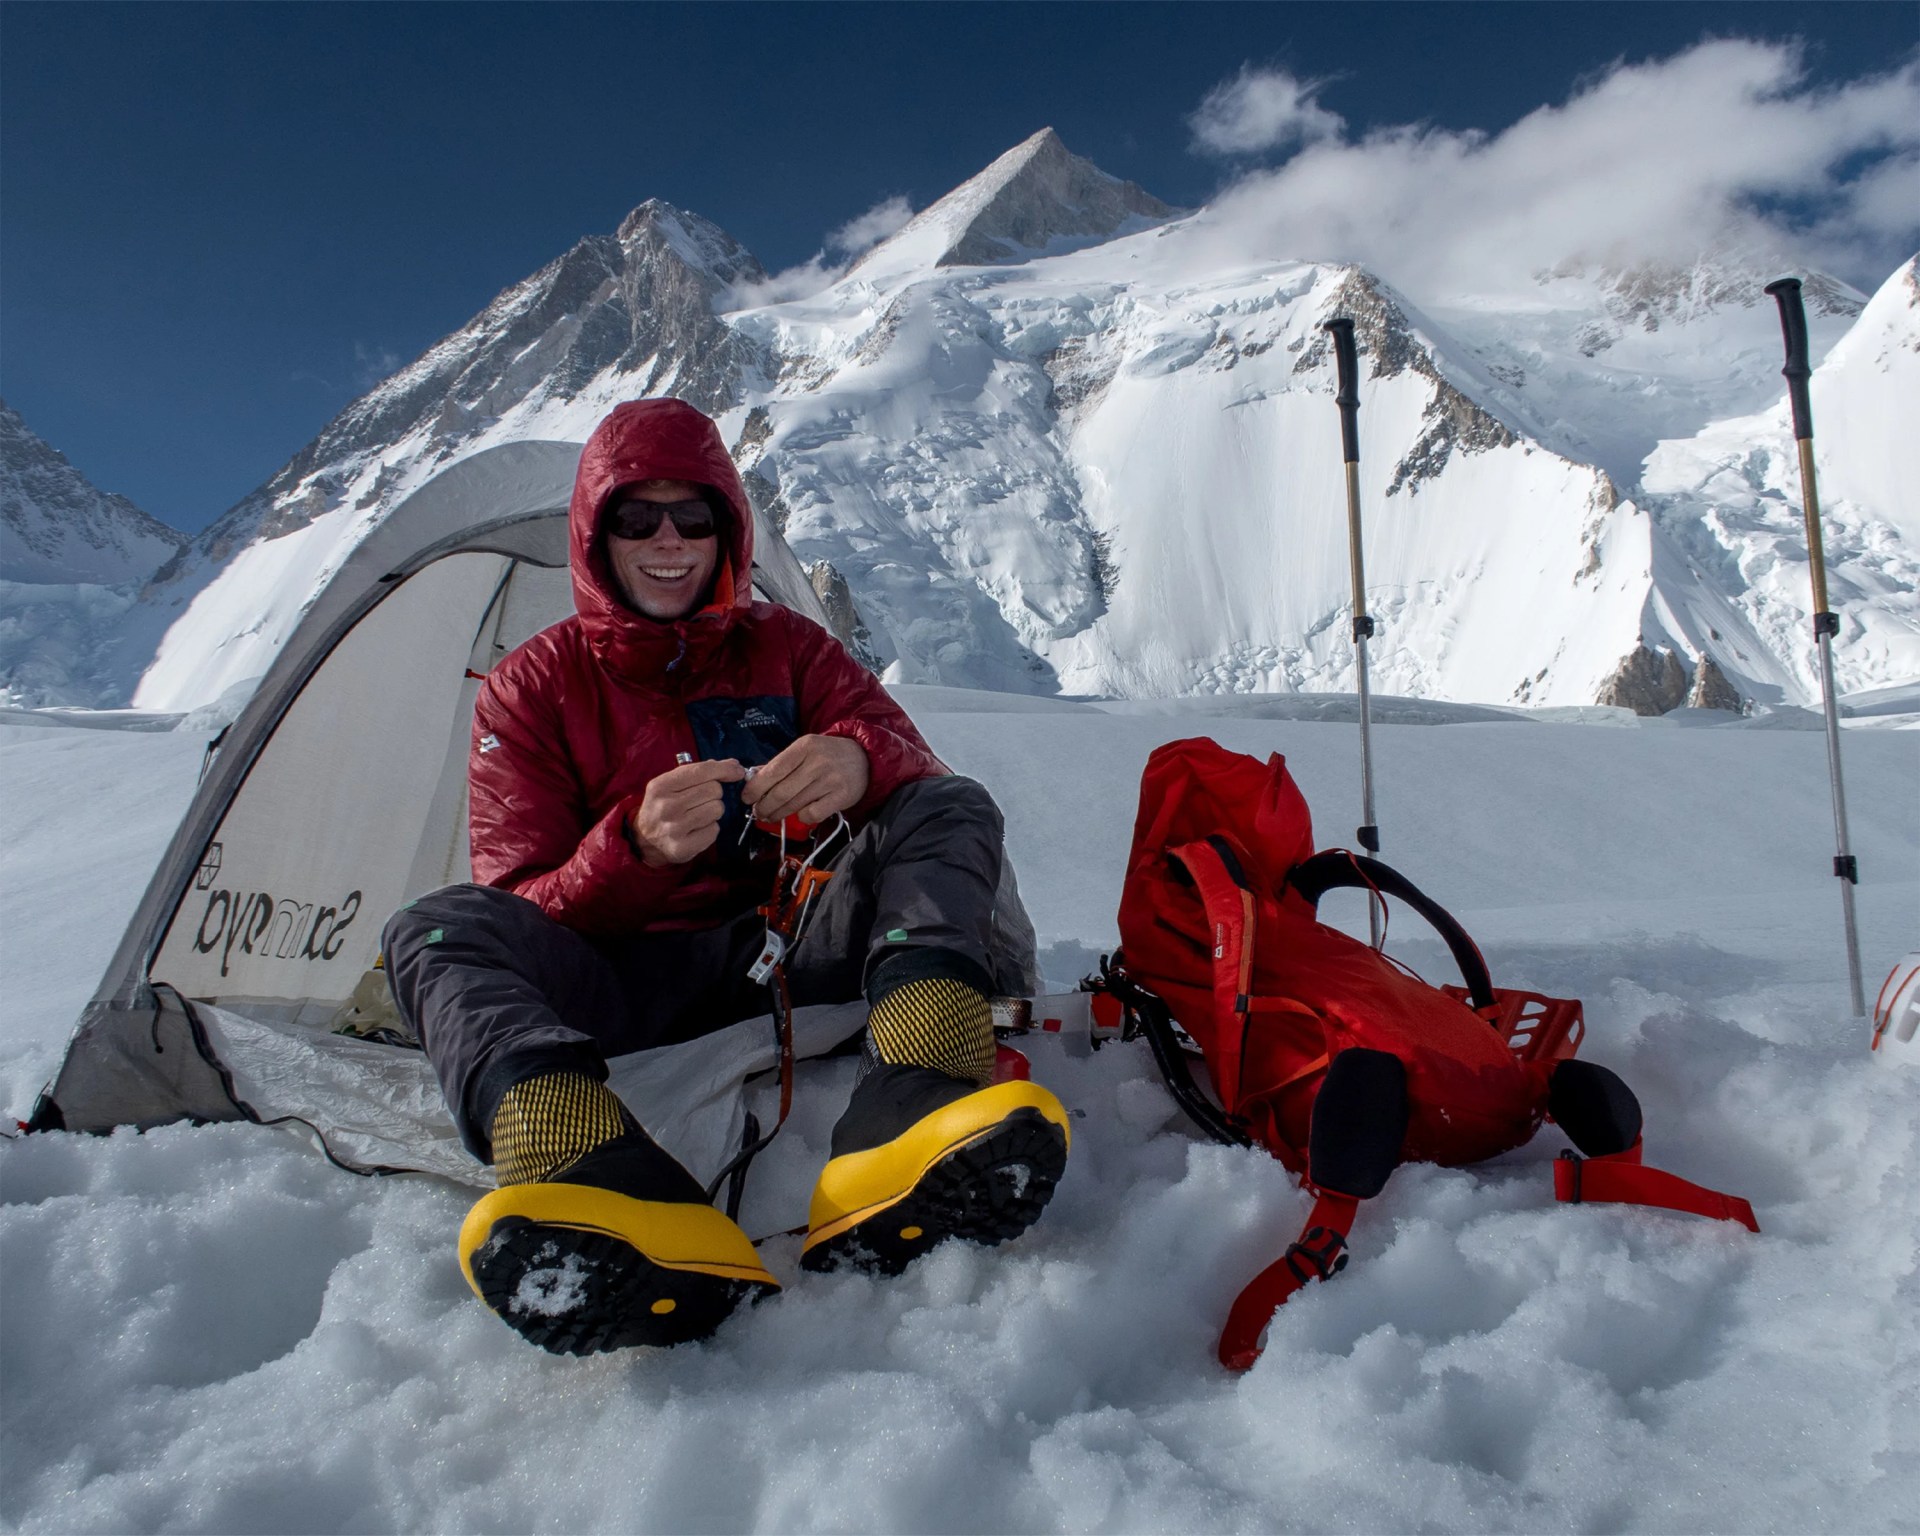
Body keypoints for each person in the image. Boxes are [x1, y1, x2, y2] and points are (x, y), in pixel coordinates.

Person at [381, 398, 1068, 1356]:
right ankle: (592, 1175)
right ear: (596, 533)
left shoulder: (787, 646)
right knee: (434, 930)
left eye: (693, 516)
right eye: (637, 516)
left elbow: (915, 762)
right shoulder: (531, 684)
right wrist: (630, 847)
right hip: (618, 978)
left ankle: (913, 1098)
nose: (668, 540)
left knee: (948, 806)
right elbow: (517, 895)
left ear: (728, 531)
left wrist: (859, 762)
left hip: (784, 950)